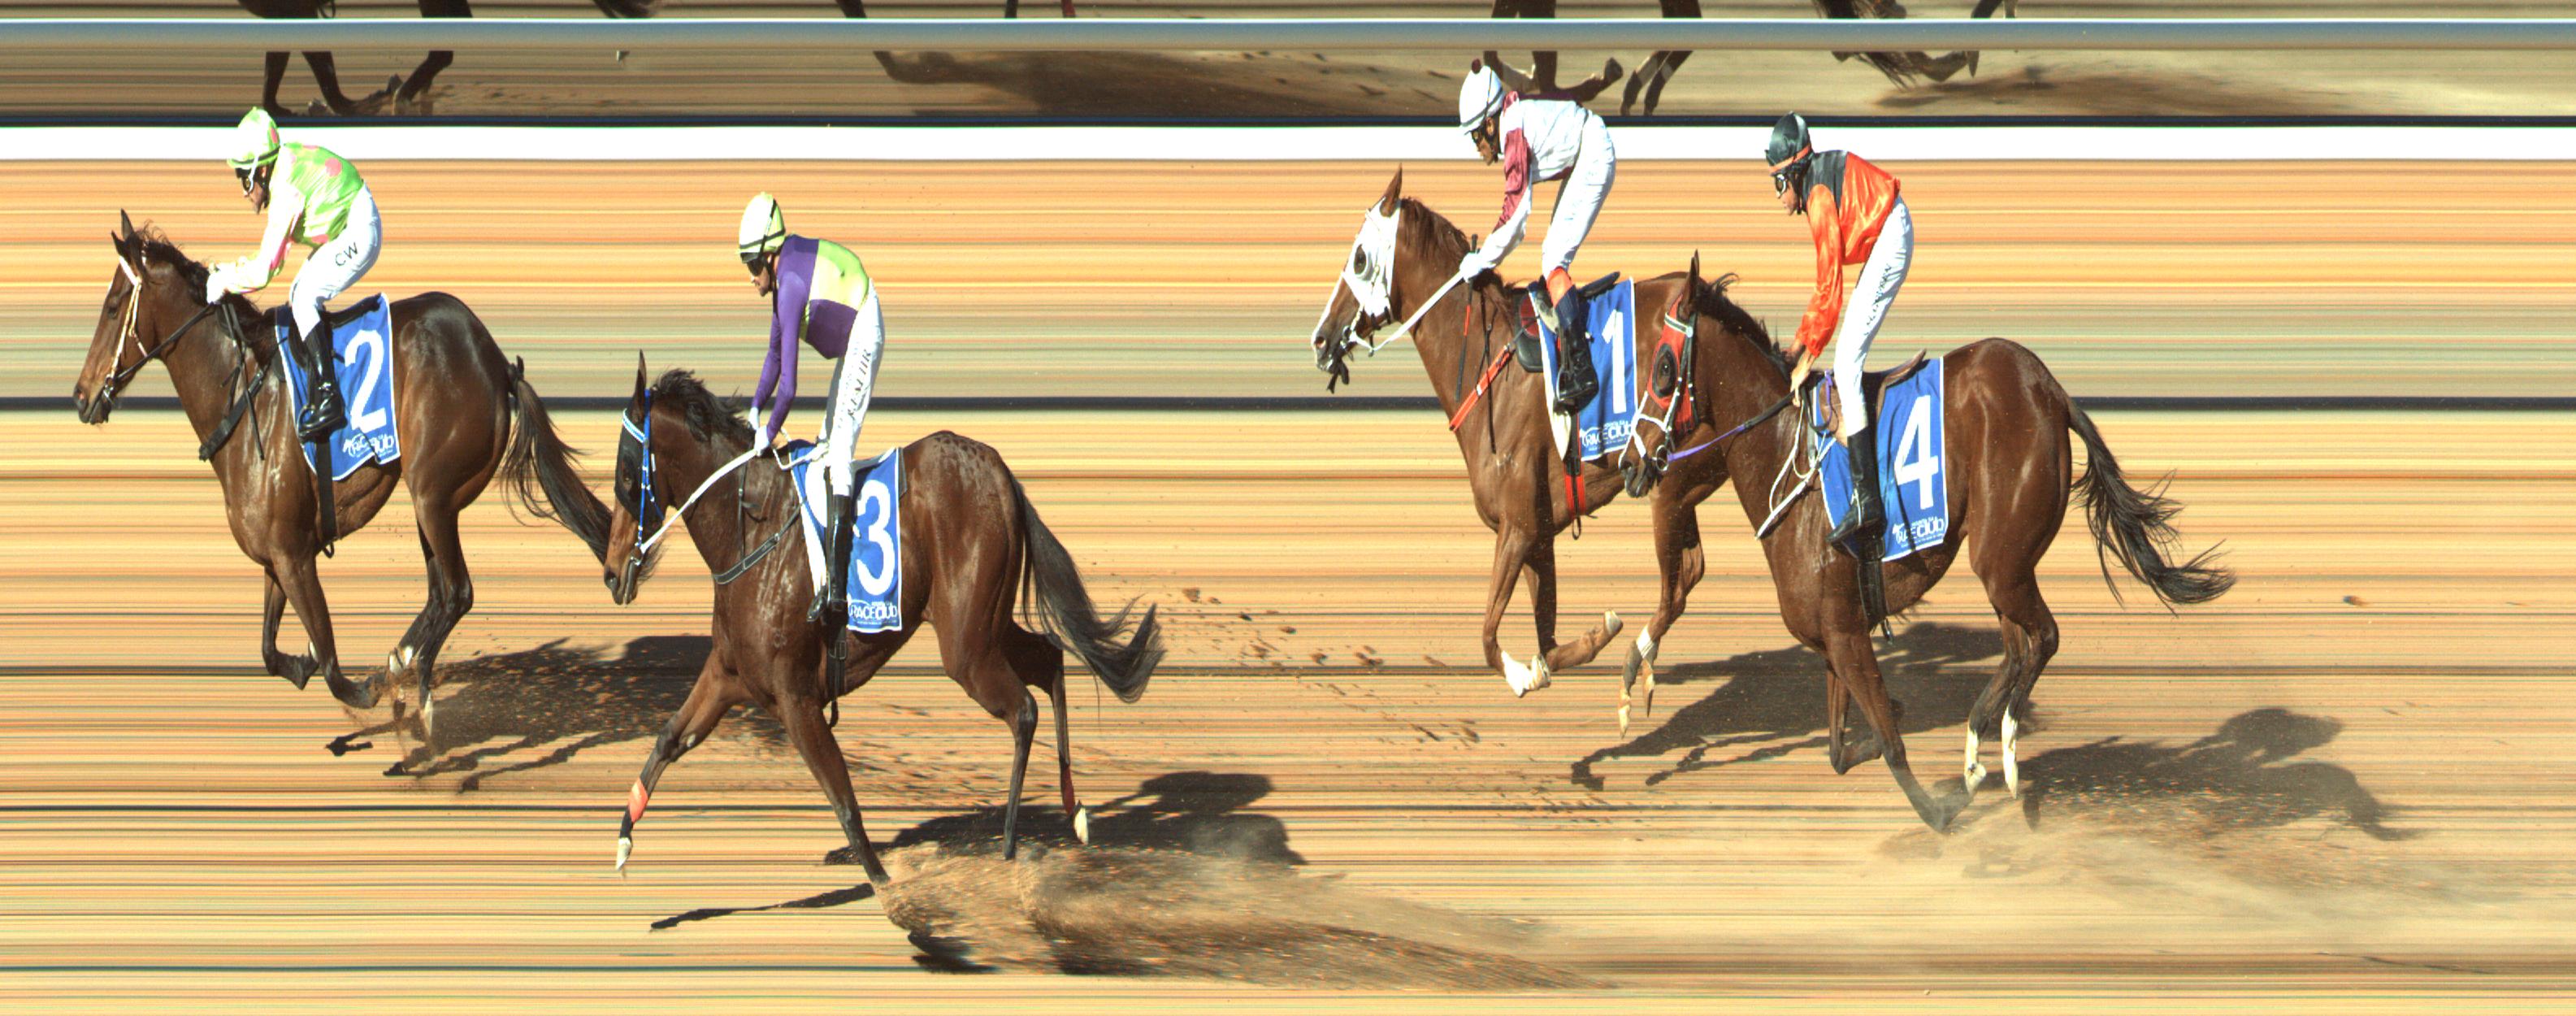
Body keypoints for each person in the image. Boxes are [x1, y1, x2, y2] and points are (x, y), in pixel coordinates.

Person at [1767, 112, 1913, 551]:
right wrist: (1797, 351)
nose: (1778, 197)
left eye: (1778, 183)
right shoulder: (1816, 184)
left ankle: (1868, 500)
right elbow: (1827, 292)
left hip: (1890, 236)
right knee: (1846, 354)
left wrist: (1804, 358)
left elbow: (1828, 289)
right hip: (1887, 232)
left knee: (1846, 366)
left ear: (1794, 172)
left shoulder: (1818, 197)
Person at [739, 193, 885, 628]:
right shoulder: (783, 281)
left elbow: (789, 386)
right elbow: (773, 356)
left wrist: (769, 432)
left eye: (752, 265)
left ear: (770, 256)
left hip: (864, 328)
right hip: (854, 331)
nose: (750, 277)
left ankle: (837, 590)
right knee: (822, 448)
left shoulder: (790, 287)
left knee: (838, 455)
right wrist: (753, 407)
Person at [206, 106, 379, 442]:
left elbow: (265, 271)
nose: (243, 190)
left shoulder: (285, 190)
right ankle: (322, 377)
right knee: (299, 291)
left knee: (304, 298)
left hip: (359, 230)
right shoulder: (282, 170)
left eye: (243, 176)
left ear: (261, 169)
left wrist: (225, 281)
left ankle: (330, 396)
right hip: (348, 226)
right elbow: (273, 257)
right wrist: (229, 271)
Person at [1455, 61, 1617, 415]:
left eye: (1476, 135)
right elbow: (1512, 213)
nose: (1476, 146)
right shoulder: (1513, 122)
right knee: (1551, 257)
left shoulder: (1513, 133)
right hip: (1585, 150)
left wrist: (1482, 260)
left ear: (1489, 123)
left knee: (1553, 261)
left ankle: (1583, 370)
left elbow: (1516, 218)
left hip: (1592, 153)